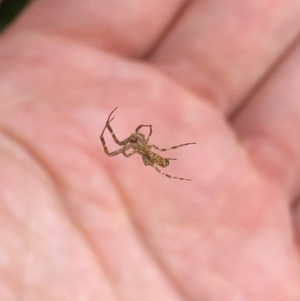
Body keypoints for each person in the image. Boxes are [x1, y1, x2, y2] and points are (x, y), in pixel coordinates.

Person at [0, 1, 300, 300]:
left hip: (154, 153)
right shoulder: (138, 148)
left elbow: (135, 142)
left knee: (163, 154)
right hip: (150, 155)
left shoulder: (143, 147)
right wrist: (117, 131)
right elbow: (119, 146)